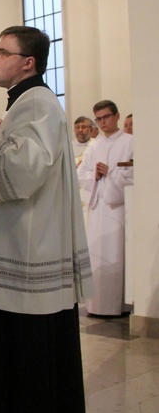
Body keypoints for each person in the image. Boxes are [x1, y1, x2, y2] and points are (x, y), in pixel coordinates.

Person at [0, 25, 93, 413]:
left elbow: (26, 169)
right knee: (31, 337)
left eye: (3, 52)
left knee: (25, 339)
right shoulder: (30, 100)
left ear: (28, 63)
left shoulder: (36, 102)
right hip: (25, 242)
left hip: (26, 247)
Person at [77, 100, 134, 317]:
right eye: (98, 119)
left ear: (117, 116)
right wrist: (96, 175)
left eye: (106, 117)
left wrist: (111, 172)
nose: (102, 122)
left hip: (118, 208)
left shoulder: (130, 141)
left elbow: (134, 173)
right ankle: (96, 305)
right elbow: (81, 174)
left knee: (117, 254)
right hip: (98, 205)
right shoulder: (95, 146)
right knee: (96, 255)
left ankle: (118, 306)